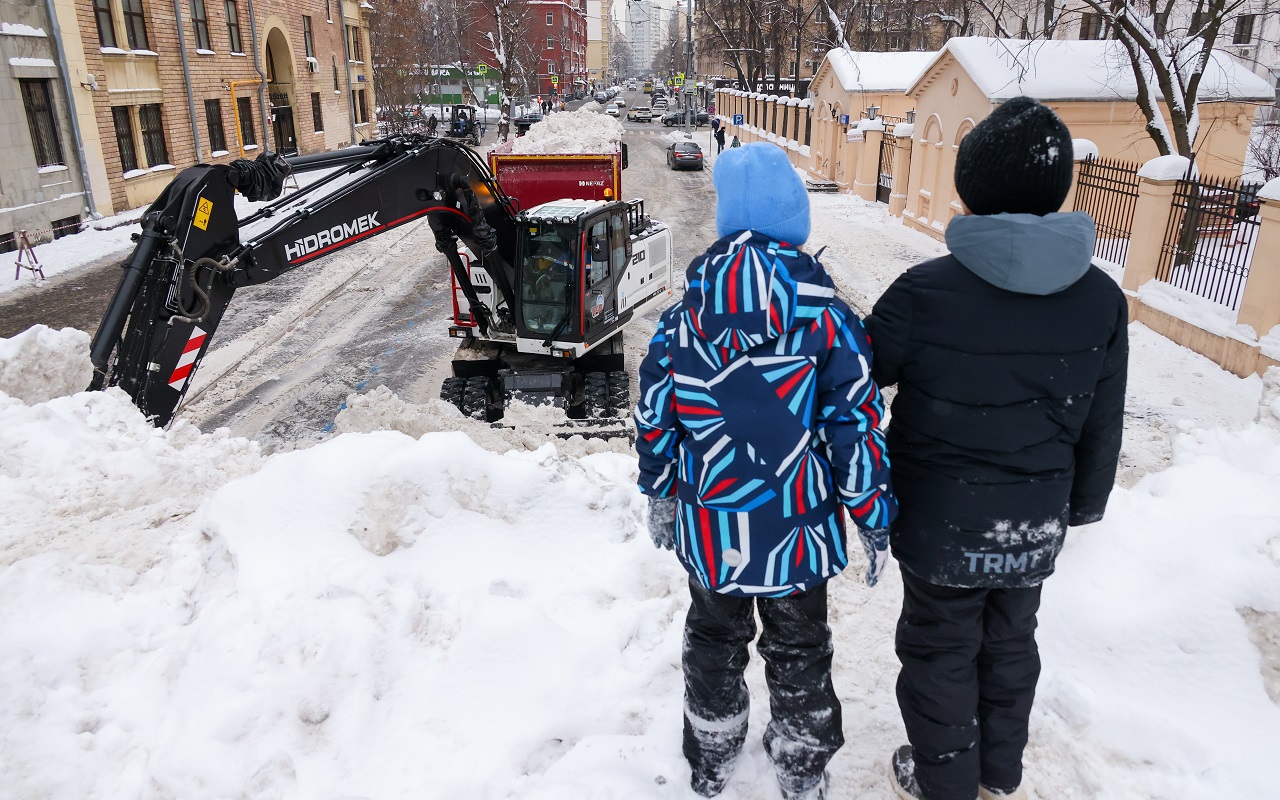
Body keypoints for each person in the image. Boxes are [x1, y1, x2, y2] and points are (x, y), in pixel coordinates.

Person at [865, 97, 1127, 800]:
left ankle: (945, 782)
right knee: (1011, 643)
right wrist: (1084, 504)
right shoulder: (1102, 299)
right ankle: (998, 775)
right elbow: (1103, 418)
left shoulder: (924, 292)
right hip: (1033, 518)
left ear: (971, 186)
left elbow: (859, 376)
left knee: (940, 648)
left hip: (938, 519)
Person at [635, 142, 897, 800]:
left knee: (713, 639)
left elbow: (655, 415)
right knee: (800, 649)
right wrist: (872, 513)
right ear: (794, 221)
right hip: (796, 531)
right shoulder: (829, 321)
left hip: (714, 527)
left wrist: (660, 490)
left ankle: (712, 754)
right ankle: (801, 767)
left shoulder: (681, 321)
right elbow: (854, 426)